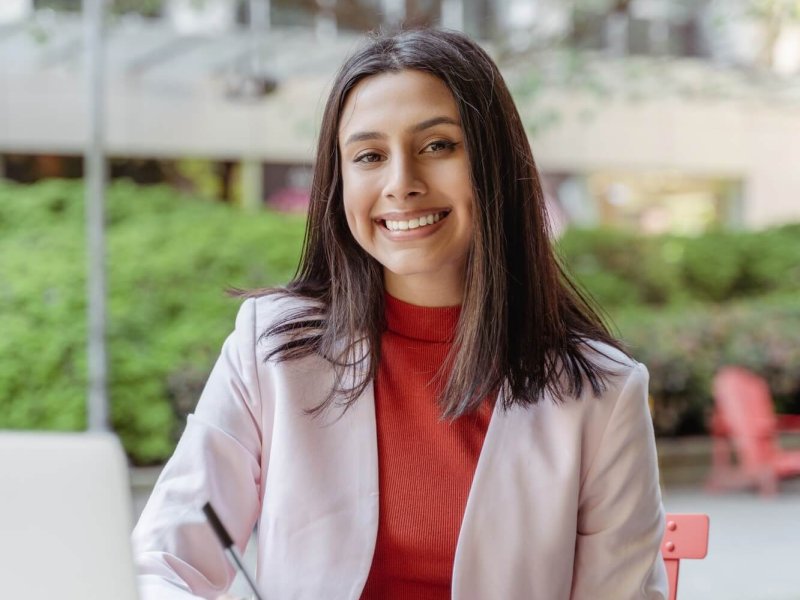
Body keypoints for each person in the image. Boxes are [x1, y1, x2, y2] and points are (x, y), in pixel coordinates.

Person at [132, 28, 667, 599]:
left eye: (438, 146)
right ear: (340, 182)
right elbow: (164, 558)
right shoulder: (271, 348)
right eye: (369, 156)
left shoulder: (602, 392)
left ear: (493, 161)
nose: (401, 184)